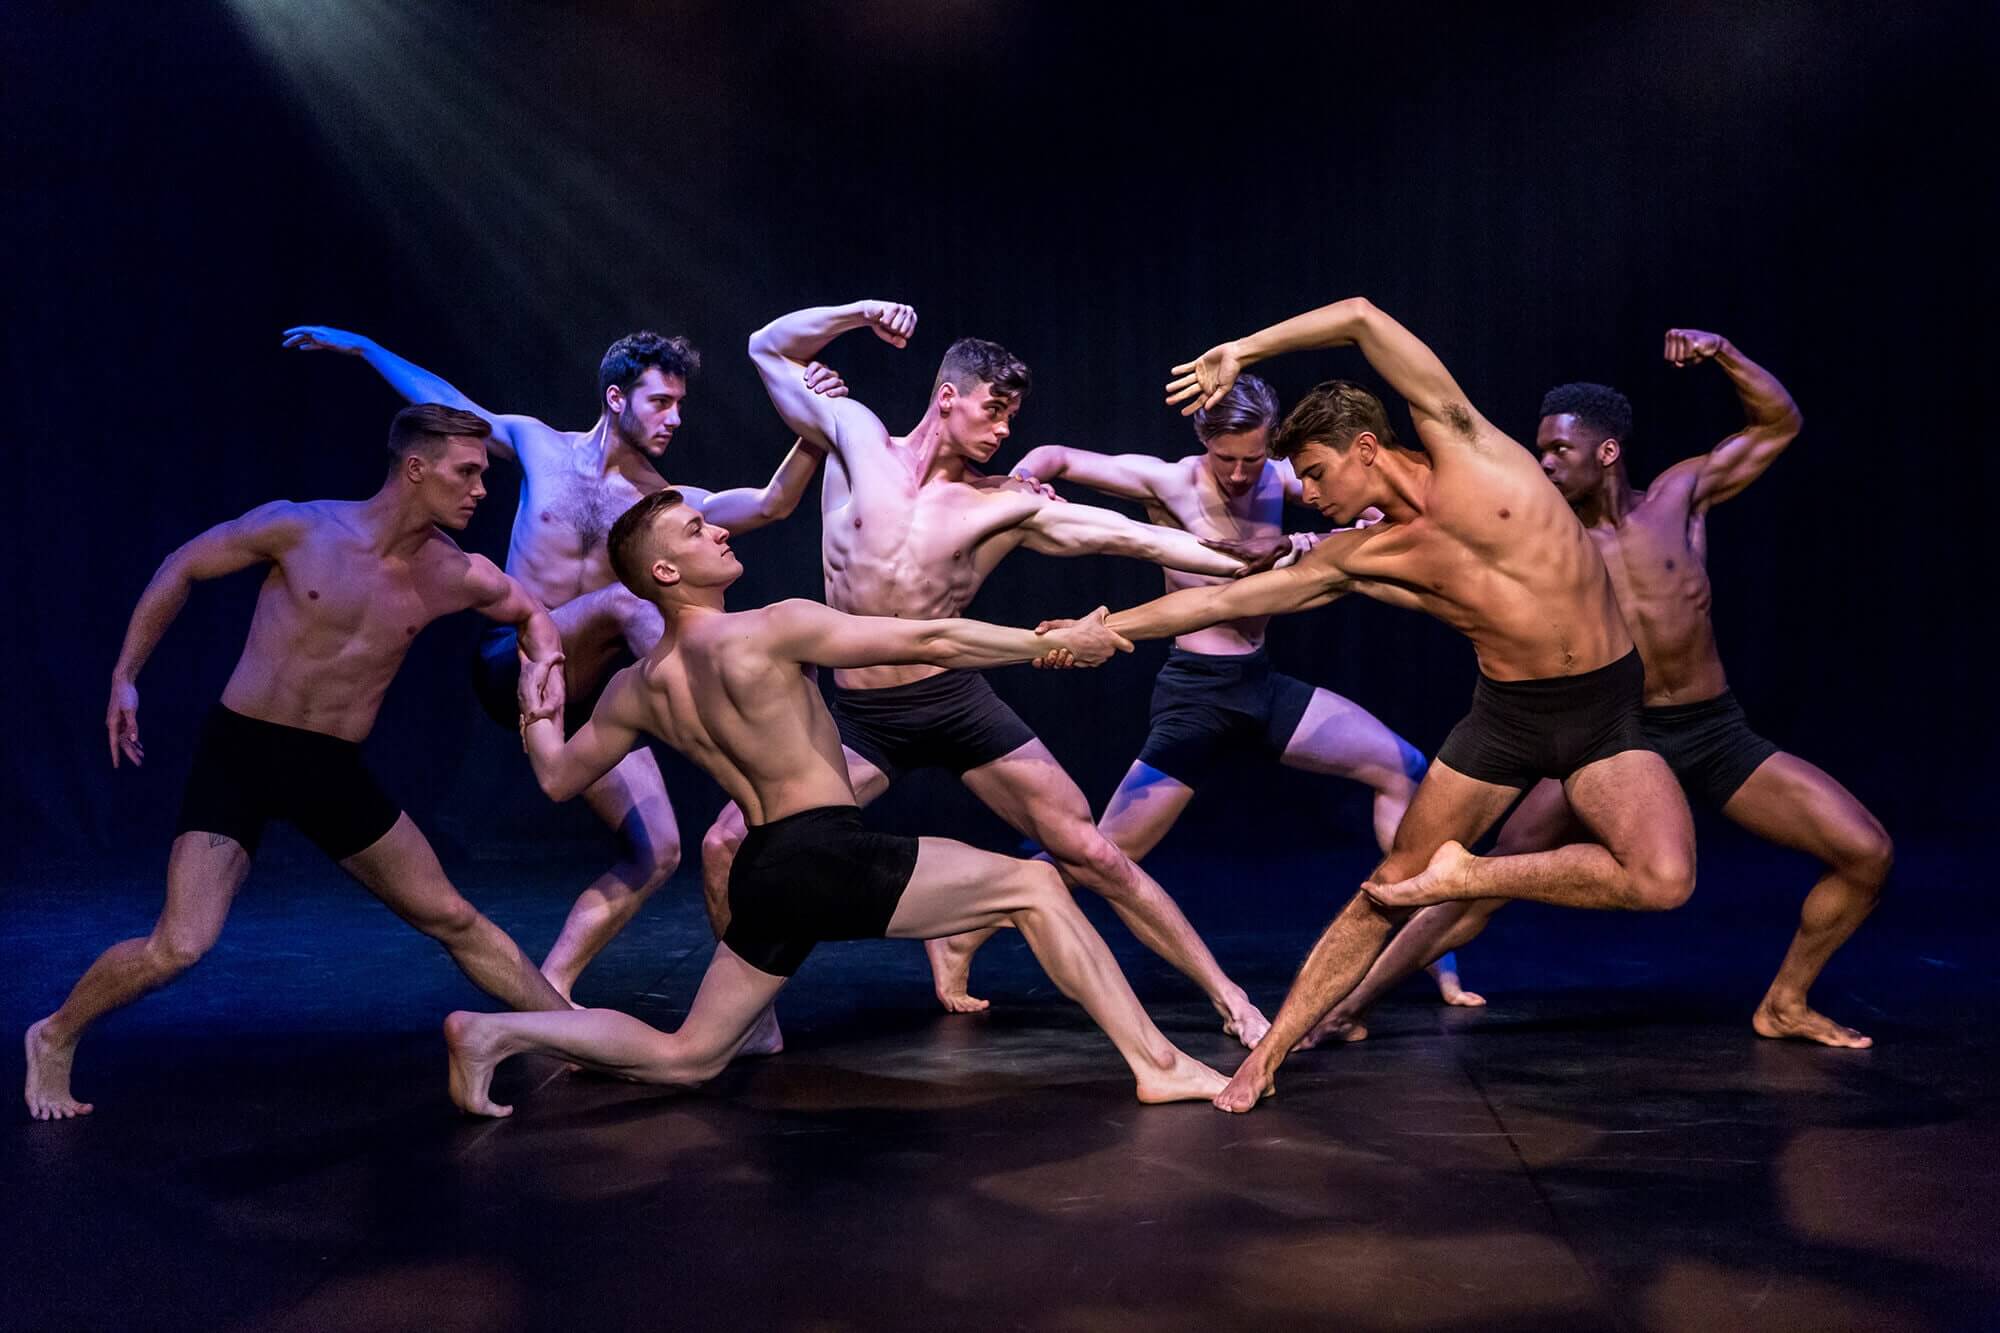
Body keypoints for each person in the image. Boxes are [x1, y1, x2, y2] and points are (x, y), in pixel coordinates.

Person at [1066, 296, 1698, 1112]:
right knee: (1389, 884)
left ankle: (1470, 874)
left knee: (1662, 876)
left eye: (1316, 472)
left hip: (1602, 708)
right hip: (1506, 718)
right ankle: (1268, 1053)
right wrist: (1107, 627)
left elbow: (1363, 318)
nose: (1307, 493)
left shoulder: (1469, 446)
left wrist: (1244, 347)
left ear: (1365, 447)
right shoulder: (1362, 554)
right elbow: (1217, 602)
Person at [440, 489, 1229, 1116]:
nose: (719, 531)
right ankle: (1158, 1063)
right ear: (667, 572)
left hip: (765, 871)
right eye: (695, 531)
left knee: (690, 1055)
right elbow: (930, 641)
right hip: (826, 851)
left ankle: (494, 1032)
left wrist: (538, 711)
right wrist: (1050, 643)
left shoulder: (635, 687)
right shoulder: (772, 628)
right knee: (1037, 884)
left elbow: (556, 777)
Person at [705, 299, 1289, 1049]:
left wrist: (1245, 564)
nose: (1006, 430)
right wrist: (858, 314)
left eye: (1013, 416)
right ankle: (748, 1019)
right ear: (948, 397)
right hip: (859, 717)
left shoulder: (1004, 505)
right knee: (727, 843)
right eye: (994, 410)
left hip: (953, 701)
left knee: (1091, 849)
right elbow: (766, 345)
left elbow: (1131, 538)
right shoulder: (854, 437)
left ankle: (1230, 997)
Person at [1314, 329, 1889, 1049]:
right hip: (1608, 734)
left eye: (1559, 449)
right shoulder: (1537, 534)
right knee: (1484, 878)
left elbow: (1779, 424)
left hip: (1712, 730)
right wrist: (1311, 549)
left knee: (1865, 852)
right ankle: (1350, 1001)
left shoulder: (1679, 496)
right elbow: (1422, 551)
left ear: (1607, 451)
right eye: (1541, 451)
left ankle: (1785, 1002)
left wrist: (1723, 353)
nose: (1545, 463)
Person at [25, 405, 572, 1121]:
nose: (480, 490)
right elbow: (182, 564)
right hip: (244, 752)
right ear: (416, 468)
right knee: (179, 945)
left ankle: (571, 1033)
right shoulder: (302, 528)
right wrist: (126, 674)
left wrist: (545, 662)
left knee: (453, 916)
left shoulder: (455, 572)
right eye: (467, 472)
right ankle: (54, 1033)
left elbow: (533, 614)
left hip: (329, 767)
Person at [281, 324, 844, 1001]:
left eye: (679, 404)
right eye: (661, 402)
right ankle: (747, 732)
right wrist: (368, 349)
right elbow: (452, 405)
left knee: (658, 851)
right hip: (514, 661)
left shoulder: (663, 503)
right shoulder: (539, 444)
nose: (675, 418)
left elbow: (772, 502)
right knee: (629, 604)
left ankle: (552, 991)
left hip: (582, 694)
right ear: (616, 397)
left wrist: (816, 426)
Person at [1008, 378, 1480, 1011]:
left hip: (1261, 685)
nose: (1237, 474)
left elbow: (1376, 513)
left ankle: (1430, 954)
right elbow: (1056, 457)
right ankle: (974, 919)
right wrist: (1022, 482)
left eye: (1251, 459)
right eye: (1224, 458)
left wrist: (1329, 534)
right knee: (1107, 852)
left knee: (1403, 767)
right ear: (1203, 441)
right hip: (1197, 695)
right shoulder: (1170, 482)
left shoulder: (1283, 479)